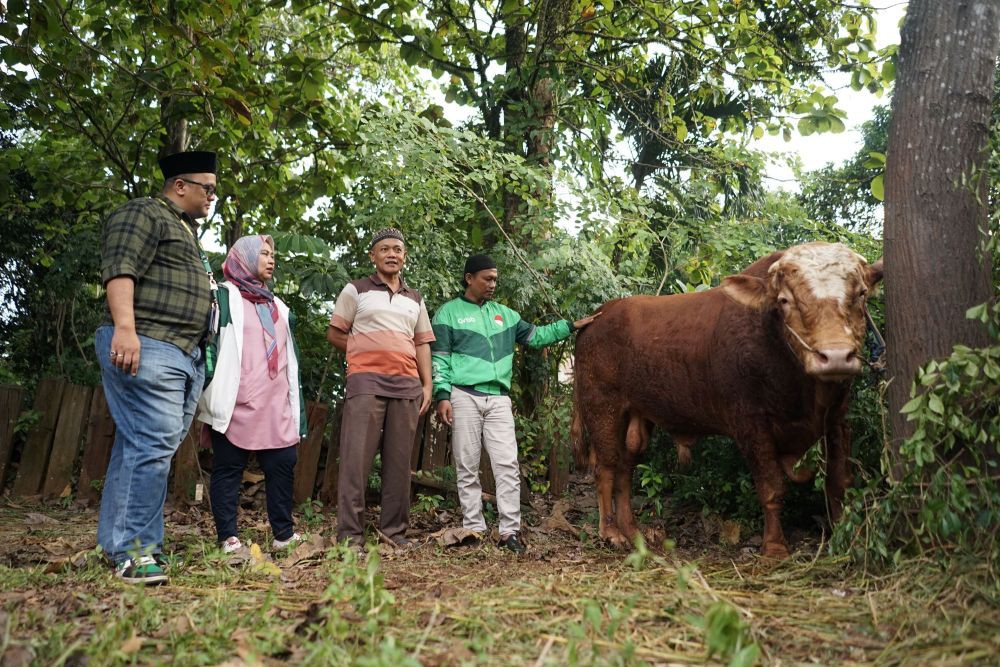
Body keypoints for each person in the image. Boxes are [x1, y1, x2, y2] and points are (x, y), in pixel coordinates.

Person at [96, 150, 218, 584]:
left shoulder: (185, 230)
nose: (212, 197)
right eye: (208, 188)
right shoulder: (145, 213)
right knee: (152, 446)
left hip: (184, 353)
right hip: (150, 343)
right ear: (179, 185)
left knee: (140, 447)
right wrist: (124, 328)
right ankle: (136, 552)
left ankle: (116, 547)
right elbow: (120, 269)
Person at [431, 254, 600, 553]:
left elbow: (537, 336)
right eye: (487, 278)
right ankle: (473, 529)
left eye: (495, 278)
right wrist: (442, 395)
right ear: (469, 278)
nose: (493, 284)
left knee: (507, 463)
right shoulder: (448, 314)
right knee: (466, 464)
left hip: (498, 398)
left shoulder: (506, 315)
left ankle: (510, 532)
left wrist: (571, 326)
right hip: (463, 394)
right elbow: (440, 359)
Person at [196, 235, 308, 555]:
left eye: (273, 255)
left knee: (283, 464)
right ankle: (228, 536)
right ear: (244, 258)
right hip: (238, 401)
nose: (271, 259)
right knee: (229, 468)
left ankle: (283, 535)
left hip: (275, 404)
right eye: (264, 253)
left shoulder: (278, 306)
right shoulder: (223, 296)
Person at [327, 228, 435, 550]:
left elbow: (422, 343)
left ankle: (394, 533)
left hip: (406, 386)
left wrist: (427, 384)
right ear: (373, 256)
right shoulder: (356, 290)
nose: (392, 254)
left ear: (404, 256)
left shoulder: (415, 298)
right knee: (355, 463)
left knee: (399, 465)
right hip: (365, 383)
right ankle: (350, 537)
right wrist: (364, 349)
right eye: (385, 249)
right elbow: (335, 333)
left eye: (398, 249)